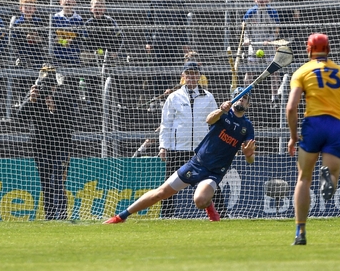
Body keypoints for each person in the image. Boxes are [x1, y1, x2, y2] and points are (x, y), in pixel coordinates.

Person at [104, 87, 254, 223]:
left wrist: (248, 154)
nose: (241, 99)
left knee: (200, 201)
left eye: (245, 98)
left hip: (214, 172)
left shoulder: (247, 127)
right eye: (238, 96)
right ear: (232, 99)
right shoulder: (223, 114)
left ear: (248, 104)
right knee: (160, 193)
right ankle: (120, 217)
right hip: (197, 163)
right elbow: (209, 119)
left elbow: (250, 160)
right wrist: (221, 110)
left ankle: (209, 206)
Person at [286, 33, 340, 246]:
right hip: (336, 126)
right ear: (328, 49)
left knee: (303, 179)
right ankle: (328, 176)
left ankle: (300, 231)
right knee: (334, 174)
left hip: (313, 125)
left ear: (308, 50)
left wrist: (293, 137)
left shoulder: (302, 72)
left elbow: (291, 107)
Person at [157, 61, 219, 218]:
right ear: (183, 76)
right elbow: (166, 124)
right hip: (177, 149)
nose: (191, 76)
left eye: (194, 73)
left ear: (199, 76)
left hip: (200, 150)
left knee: (209, 184)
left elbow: (216, 124)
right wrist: (163, 146)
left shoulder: (208, 97)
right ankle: (166, 216)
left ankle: (220, 215)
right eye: (188, 73)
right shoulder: (173, 97)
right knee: (169, 186)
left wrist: (214, 146)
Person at [21, 65, 77, 220]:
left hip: (61, 145)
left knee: (56, 180)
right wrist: (31, 101)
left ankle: (62, 215)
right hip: (40, 145)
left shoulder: (64, 94)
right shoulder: (35, 93)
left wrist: (55, 109)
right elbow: (20, 117)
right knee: (46, 182)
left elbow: (71, 121)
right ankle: (50, 216)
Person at [146, 0, 190, 99]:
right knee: (157, 71)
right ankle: (156, 97)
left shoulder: (179, 2)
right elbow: (149, 22)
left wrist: (184, 42)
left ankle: (167, 98)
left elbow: (182, 24)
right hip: (158, 41)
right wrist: (148, 41)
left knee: (170, 71)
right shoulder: (155, 1)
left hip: (172, 42)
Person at [243, 0, 281, 107]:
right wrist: (247, 39)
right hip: (254, 47)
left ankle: (275, 98)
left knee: (274, 72)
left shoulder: (272, 12)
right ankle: (245, 97)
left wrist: (270, 40)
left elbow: (276, 29)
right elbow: (245, 28)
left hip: (268, 47)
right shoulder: (251, 12)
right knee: (250, 73)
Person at [52, 0, 86, 66]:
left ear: (74, 2)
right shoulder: (55, 17)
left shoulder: (79, 19)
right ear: (60, 2)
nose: (67, 1)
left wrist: (71, 40)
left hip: (74, 56)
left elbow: (80, 38)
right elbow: (52, 38)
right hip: (58, 57)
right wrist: (63, 41)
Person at [13, 0, 46, 70]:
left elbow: (44, 37)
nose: (28, 9)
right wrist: (26, 37)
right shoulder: (17, 22)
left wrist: (37, 38)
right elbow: (15, 39)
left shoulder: (39, 22)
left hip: (37, 53)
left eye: (31, 7)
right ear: (21, 8)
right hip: (22, 53)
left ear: (34, 9)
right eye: (26, 7)